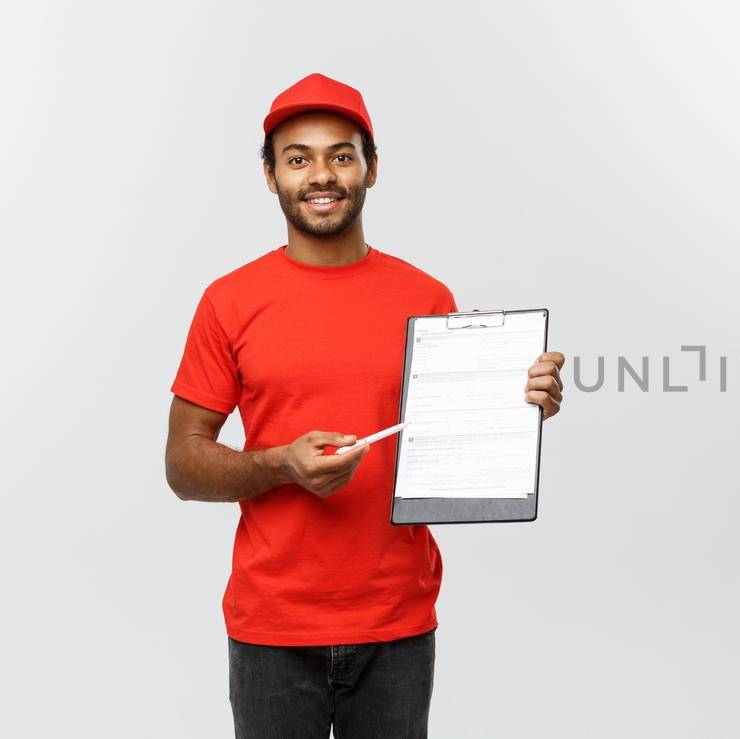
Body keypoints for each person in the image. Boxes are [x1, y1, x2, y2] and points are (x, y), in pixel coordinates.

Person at [163, 73, 564, 738]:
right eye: (298, 158)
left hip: (396, 624)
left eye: (341, 155)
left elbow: (454, 437)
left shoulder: (426, 295)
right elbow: (182, 463)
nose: (321, 174)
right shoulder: (228, 301)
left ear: (371, 169)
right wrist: (281, 466)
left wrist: (518, 403)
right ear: (270, 176)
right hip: (273, 627)